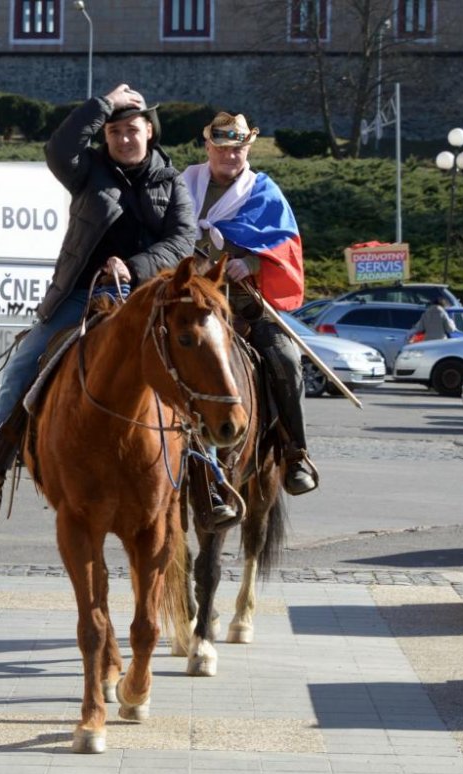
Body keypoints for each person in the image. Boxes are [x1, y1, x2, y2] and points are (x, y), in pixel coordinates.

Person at [0, 83, 197, 527]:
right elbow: (58, 147)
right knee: (22, 366)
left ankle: (208, 475)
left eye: (131, 130)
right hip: (81, 294)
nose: (122, 138)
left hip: (150, 297)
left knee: (199, 361)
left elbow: (183, 240)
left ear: (149, 133)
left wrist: (135, 266)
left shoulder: (173, 182)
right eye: (114, 131)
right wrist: (102, 103)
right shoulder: (86, 171)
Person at [181, 112, 317, 497]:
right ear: (208, 147)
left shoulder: (264, 191)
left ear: (248, 149)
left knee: (285, 358)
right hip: (188, 294)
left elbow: (285, 244)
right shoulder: (183, 185)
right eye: (222, 147)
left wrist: (252, 261)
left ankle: (295, 453)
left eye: (238, 148)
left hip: (243, 302)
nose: (230, 155)